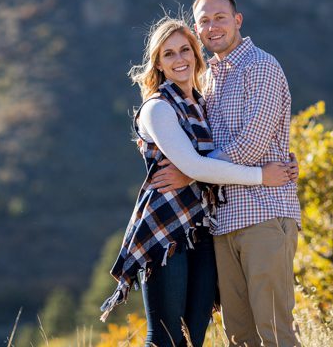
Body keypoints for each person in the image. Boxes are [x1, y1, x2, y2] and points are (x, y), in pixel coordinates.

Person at [100, 17, 296, 347]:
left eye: (185, 50)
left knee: (195, 331)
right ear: (158, 64)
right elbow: (196, 166)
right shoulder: (158, 108)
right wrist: (263, 176)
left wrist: (286, 158)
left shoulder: (203, 103)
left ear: (196, 53)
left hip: (202, 227)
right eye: (169, 54)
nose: (179, 60)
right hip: (167, 231)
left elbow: (236, 142)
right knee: (166, 335)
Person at [151, 0, 302, 347]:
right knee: (240, 337)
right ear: (197, 29)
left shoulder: (261, 67)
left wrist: (190, 172)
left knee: (276, 333)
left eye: (220, 17)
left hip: (264, 216)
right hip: (223, 223)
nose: (212, 26)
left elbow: (253, 145)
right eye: (203, 21)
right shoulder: (208, 80)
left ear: (237, 20)